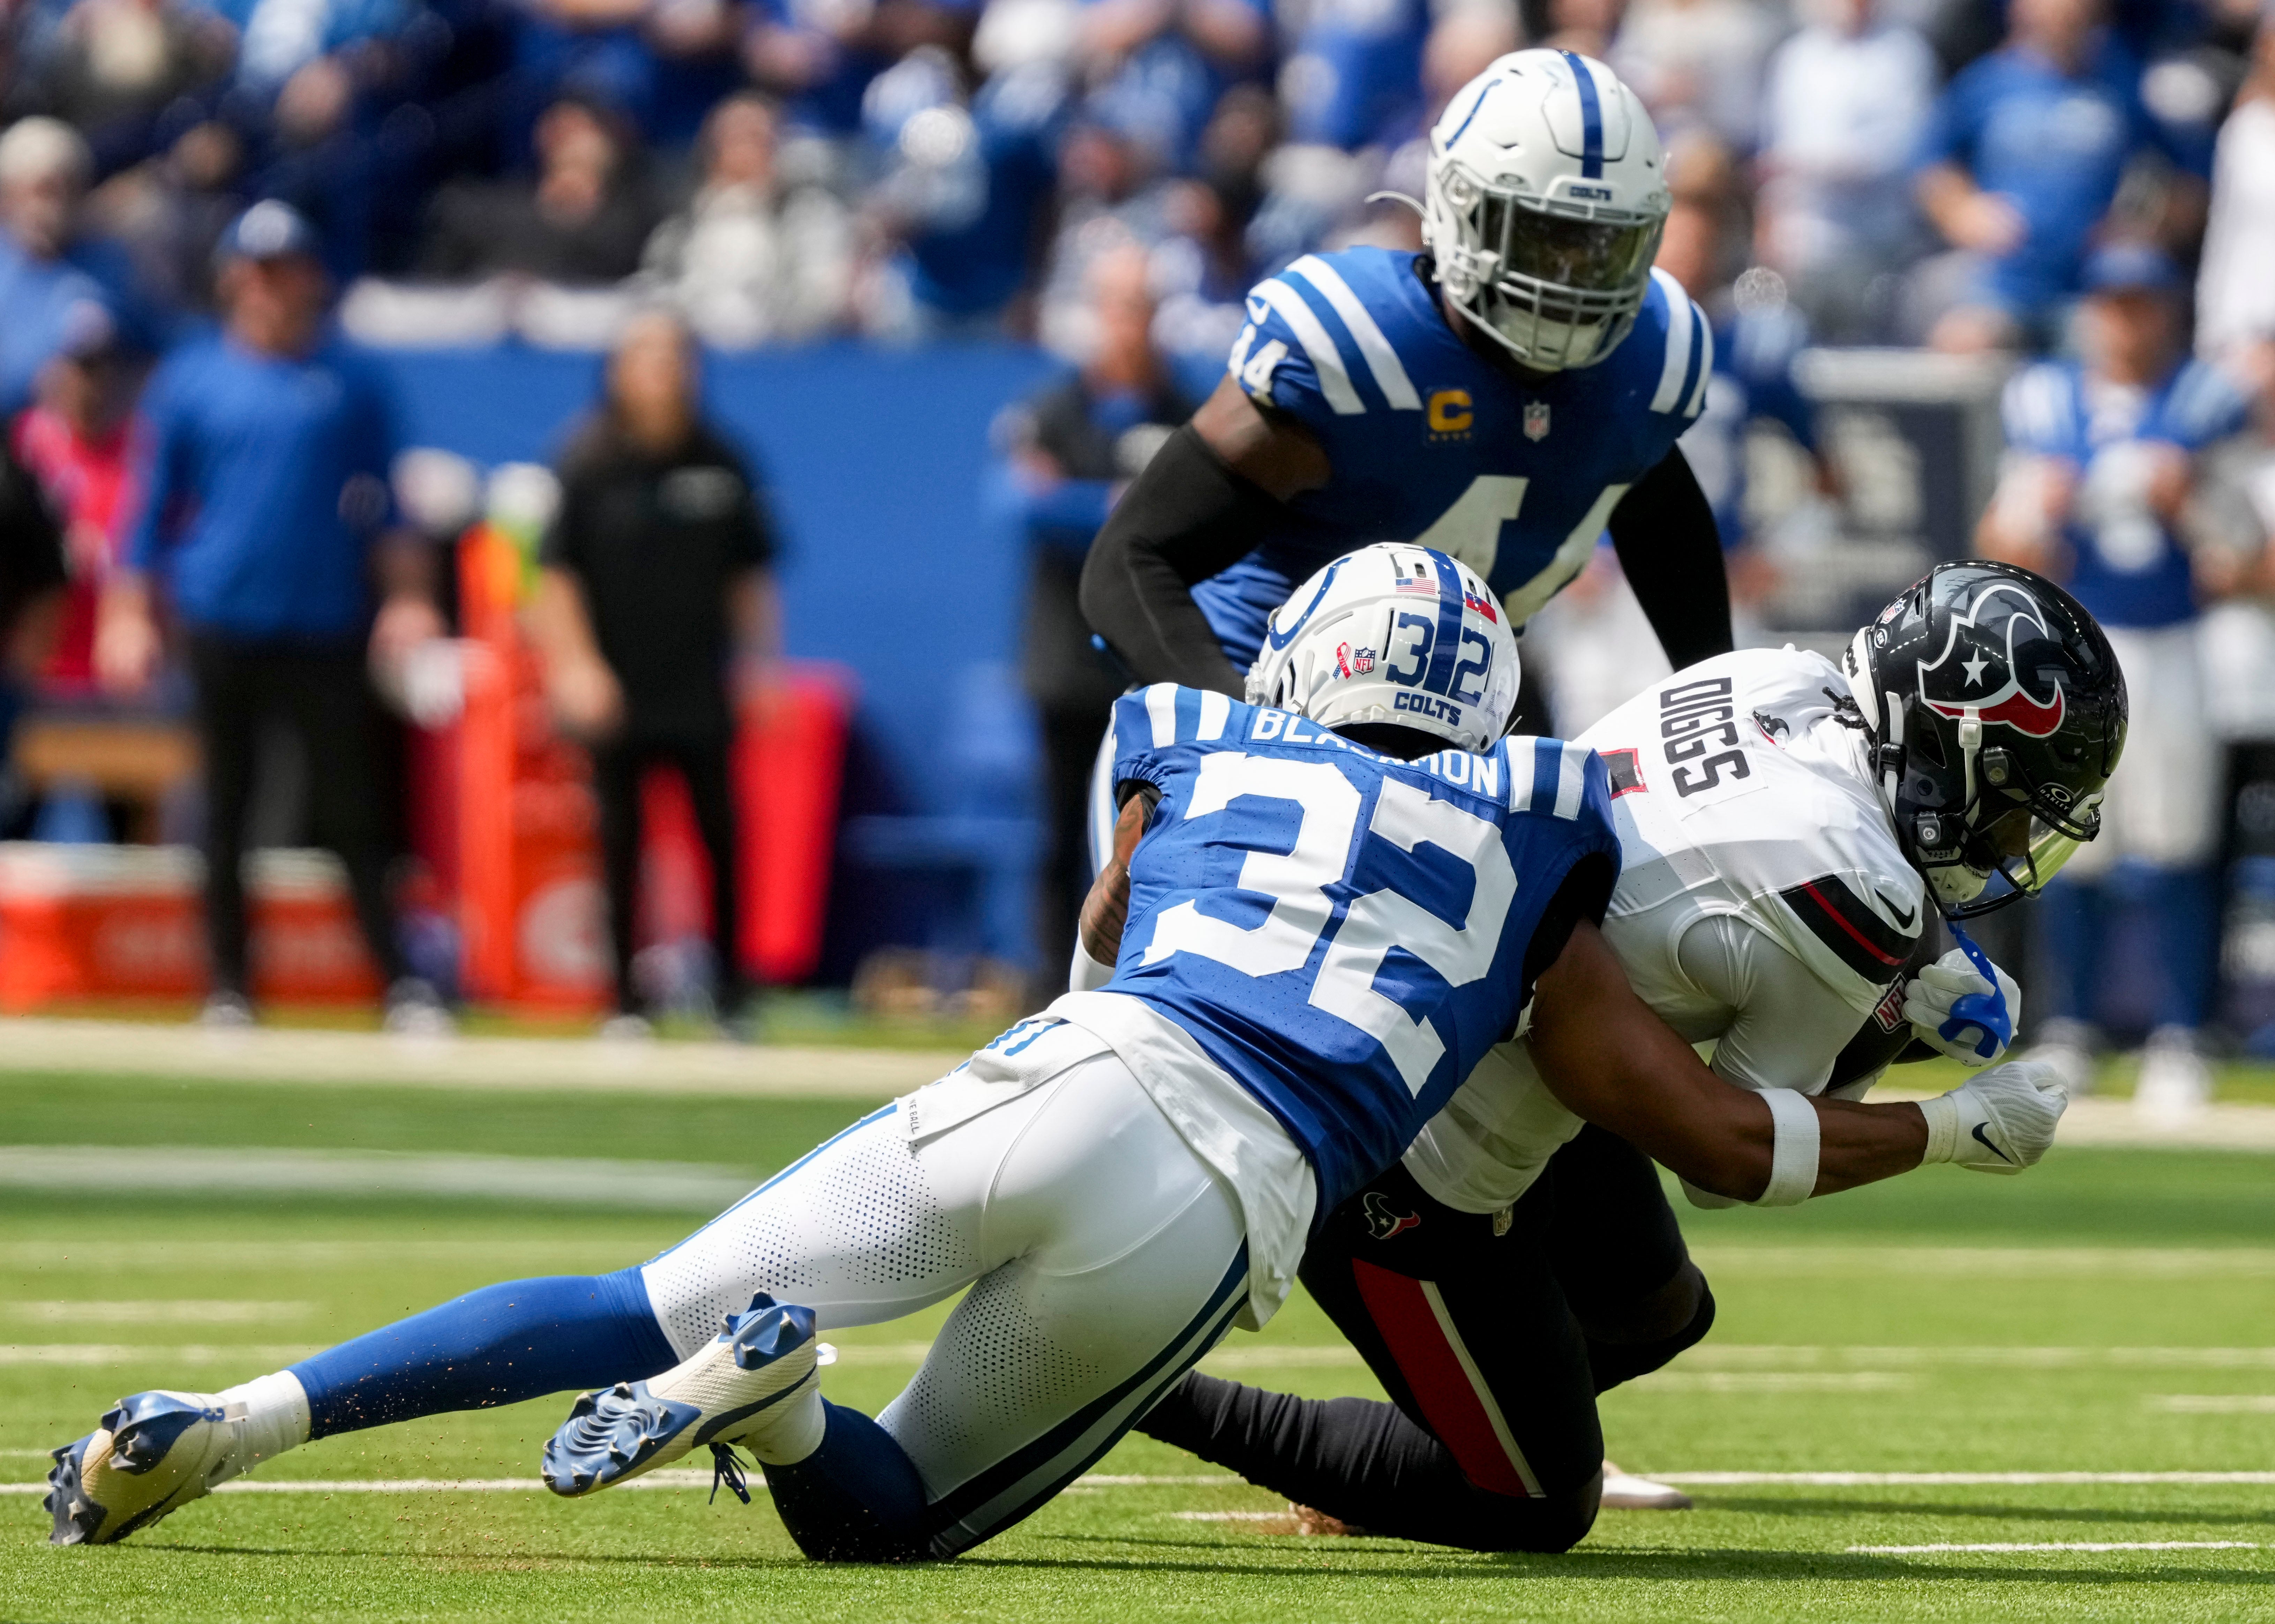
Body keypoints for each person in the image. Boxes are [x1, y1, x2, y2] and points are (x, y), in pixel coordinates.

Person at [45, 544, 2071, 1555]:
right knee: (887, 1515)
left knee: (620, 1294)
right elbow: (1692, 1098)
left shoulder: (1190, 735)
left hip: (1072, 1056)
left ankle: (240, 1415)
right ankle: (770, 1412)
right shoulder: (1541, 820)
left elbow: (1110, 914)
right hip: (1226, 1192)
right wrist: (1952, 1089)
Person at [1135, 559, 2123, 1550]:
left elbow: (1713, 907)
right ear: (1947, 745)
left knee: (1651, 1307)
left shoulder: (1779, 684)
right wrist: (1952, 1115)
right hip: (1410, 1110)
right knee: (1534, 1506)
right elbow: (1736, 1154)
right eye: (2010, 801)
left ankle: (1464, 1420)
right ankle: (1135, 1384)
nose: (2009, 840)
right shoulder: (1860, 896)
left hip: (1492, 998)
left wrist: (1914, 977)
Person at [1078, 50, 1730, 754]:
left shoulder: (1644, 365)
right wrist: (1246, 739)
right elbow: (1131, 559)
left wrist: (1725, 701)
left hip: (1460, 744)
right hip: (1264, 724)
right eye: (1548, 241)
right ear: (1461, 208)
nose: (1576, 283)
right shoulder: (1362, 347)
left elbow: (1661, 516)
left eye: (1605, 250)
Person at [96, 201, 450, 1033]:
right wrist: (127, 614)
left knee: (349, 808)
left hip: (323, 620)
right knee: (224, 809)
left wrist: (407, 598)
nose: (269, 287)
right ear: (231, 281)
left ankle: (399, 982)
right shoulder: (192, 378)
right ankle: (229, 985)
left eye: (285, 269)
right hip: (221, 618)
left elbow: (388, 508)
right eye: (256, 271)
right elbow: (149, 511)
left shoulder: (351, 381)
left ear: (311, 277)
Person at [1977, 244, 2249, 1119]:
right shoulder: (2046, 400)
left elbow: (2241, 557)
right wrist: (2037, 516)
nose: (2125, 322)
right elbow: (2000, 545)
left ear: (2166, 311)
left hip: (2172, 641)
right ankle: (2071, 1027)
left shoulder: (2205, 403)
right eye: (2112, 303)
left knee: (2175, 841)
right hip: (2072, 649)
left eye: (2140, 303)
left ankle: (2179, 1032)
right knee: (2070, 840)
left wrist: (2189, 505)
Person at [531, 309, 782, 1038]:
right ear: (619, 371)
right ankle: (624, 1004)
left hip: (700, 683)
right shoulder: (585, 462)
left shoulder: (723, 460)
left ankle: (731, 998)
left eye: (679, 357)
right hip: (617, 686)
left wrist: (763, 668)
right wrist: (576, 667)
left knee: (720, 835)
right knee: (620, 840)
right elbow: (553, 577)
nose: (667, 372)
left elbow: (751, 576)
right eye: (650, 357)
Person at [1003, 243, 1198, 985]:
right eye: (1117, 307)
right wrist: (1121, 509)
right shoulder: (1055, 411)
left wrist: (1103, 510)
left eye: (1142, 307)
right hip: (1067, 659)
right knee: (1063, 835)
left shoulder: (1187, 411)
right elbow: (1024, 505)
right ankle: (1054, 985)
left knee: (1167, 830)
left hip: (1159, 659)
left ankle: (1153, 983)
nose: (1129, 325)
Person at [1911, 0, 2204, 354]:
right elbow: (1931, 165)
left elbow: (2185, 174)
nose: (2066, 12)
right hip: (2004, 282)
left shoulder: (2119, 85)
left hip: (2091, 288)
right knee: (1964, 342)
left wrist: (2143, 229)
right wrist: (1965, 212)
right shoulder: (1989, 83)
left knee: (2126, 347)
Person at [1753, 0, 1939, 343]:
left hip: (1879, 247)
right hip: (1803, 244)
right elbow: (1774, 149)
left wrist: (1828, 166)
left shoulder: (1907, 55)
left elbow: (1907, 149)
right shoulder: (1794, 57)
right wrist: (1770, 224)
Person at [639, 92, 853, 348]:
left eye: (757, 139)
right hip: (695, 350)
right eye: (731, 140)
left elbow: (822, 298)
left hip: (783, 357)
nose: (744, 151)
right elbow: (656, 283)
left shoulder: (812, 216)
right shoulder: (681, 220)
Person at [0, 117, 153, 416]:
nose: (53, 208)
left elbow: (153, 339)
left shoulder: (109, 263)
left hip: (91, 441)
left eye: (67, 190)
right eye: (42, 191)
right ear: (8, 196)